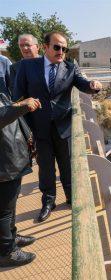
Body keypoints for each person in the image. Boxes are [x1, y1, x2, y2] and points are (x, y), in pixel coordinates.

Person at [13, 31, 103, 222]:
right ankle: (48, 202)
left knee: (67, 166)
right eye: (57, 47)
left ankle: (72, 199)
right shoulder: (27, 66)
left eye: (64, 48)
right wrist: (25, 129)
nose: (61, 51)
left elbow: (83, 84)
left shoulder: (70, 67)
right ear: (45, 47)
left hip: (64, 127)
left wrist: (93, 85)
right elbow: (18, 98)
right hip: (39, 128)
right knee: (45, 168)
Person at [0, 93, 41, 267]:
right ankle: (6, 252)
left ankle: (12, 236)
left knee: (11, 203)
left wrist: (18, 105)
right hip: (3, 161)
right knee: (3, 210)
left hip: (9, 157)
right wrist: (21, 106)